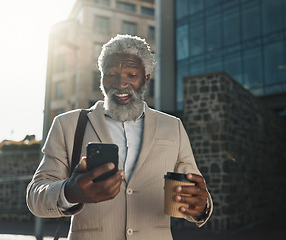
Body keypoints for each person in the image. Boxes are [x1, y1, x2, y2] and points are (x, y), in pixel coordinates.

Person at [26, 34, 213, 240]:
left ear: (146, 78)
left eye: (131, 75)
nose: (120, 83)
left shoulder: (173, 126)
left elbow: (192, 192)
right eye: (111, 74)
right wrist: (69, 191)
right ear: (101, 76)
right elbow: (35, 195)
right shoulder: (68, 124)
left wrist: (200, 206)